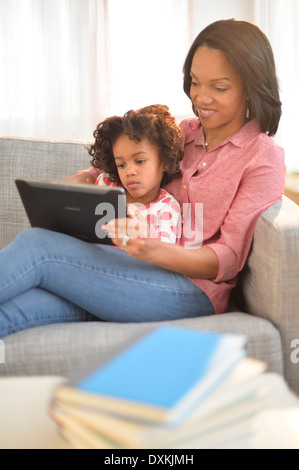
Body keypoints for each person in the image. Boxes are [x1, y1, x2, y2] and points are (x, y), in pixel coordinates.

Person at [0, 19, 285, 338]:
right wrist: (83, 178)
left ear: (250, 87)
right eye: (194, 82)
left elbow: (229, 259)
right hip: (129, 273)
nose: (201, 98)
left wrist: (153, 250)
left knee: (38, 247)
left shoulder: (262, 157)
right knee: (13, 312)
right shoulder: (184, 133)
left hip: (191, 291)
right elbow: (115, 166)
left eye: (219, 87)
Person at [68, 104, 182, 244]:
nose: (129, 172)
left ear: (164, 162)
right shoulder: (106, 184)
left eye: (140, 161)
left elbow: (165, 253)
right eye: (121, 165)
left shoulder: (167, 207)